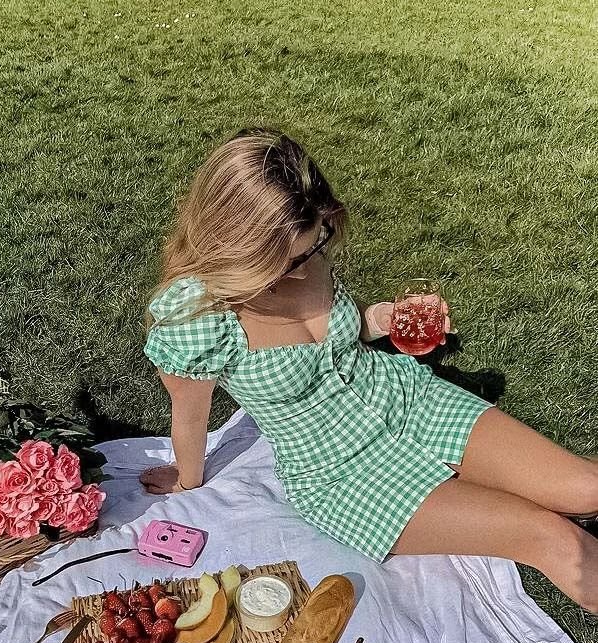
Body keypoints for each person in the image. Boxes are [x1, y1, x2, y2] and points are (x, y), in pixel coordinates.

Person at [140, 127, 598, 614]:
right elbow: (190, 414)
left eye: (315, 247)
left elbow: (341, 328)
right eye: (284, 261)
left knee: (586, 488)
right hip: (341, 475)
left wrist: (379, 319)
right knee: (549, 536)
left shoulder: (307, 244)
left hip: (408, 400)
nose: (304, 269)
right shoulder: (197, 319)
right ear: (241, 246)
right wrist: (187, 480)